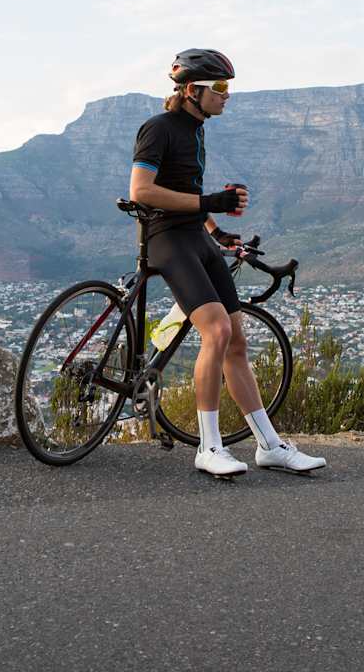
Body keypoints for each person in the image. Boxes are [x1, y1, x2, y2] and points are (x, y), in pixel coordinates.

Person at [128, 48, 326, 478]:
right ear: (191, 91)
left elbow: (184, 189)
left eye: (228, 87)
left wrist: (215, 228)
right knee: (215, 330)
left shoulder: (197, 130)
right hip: (166, 240)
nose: (227, 95)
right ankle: (208, 448)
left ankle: (269, 445)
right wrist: (207, 201)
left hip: (198, 237)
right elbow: (142, 190)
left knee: (237, 339)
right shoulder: (158, 128)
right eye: (219, 87)